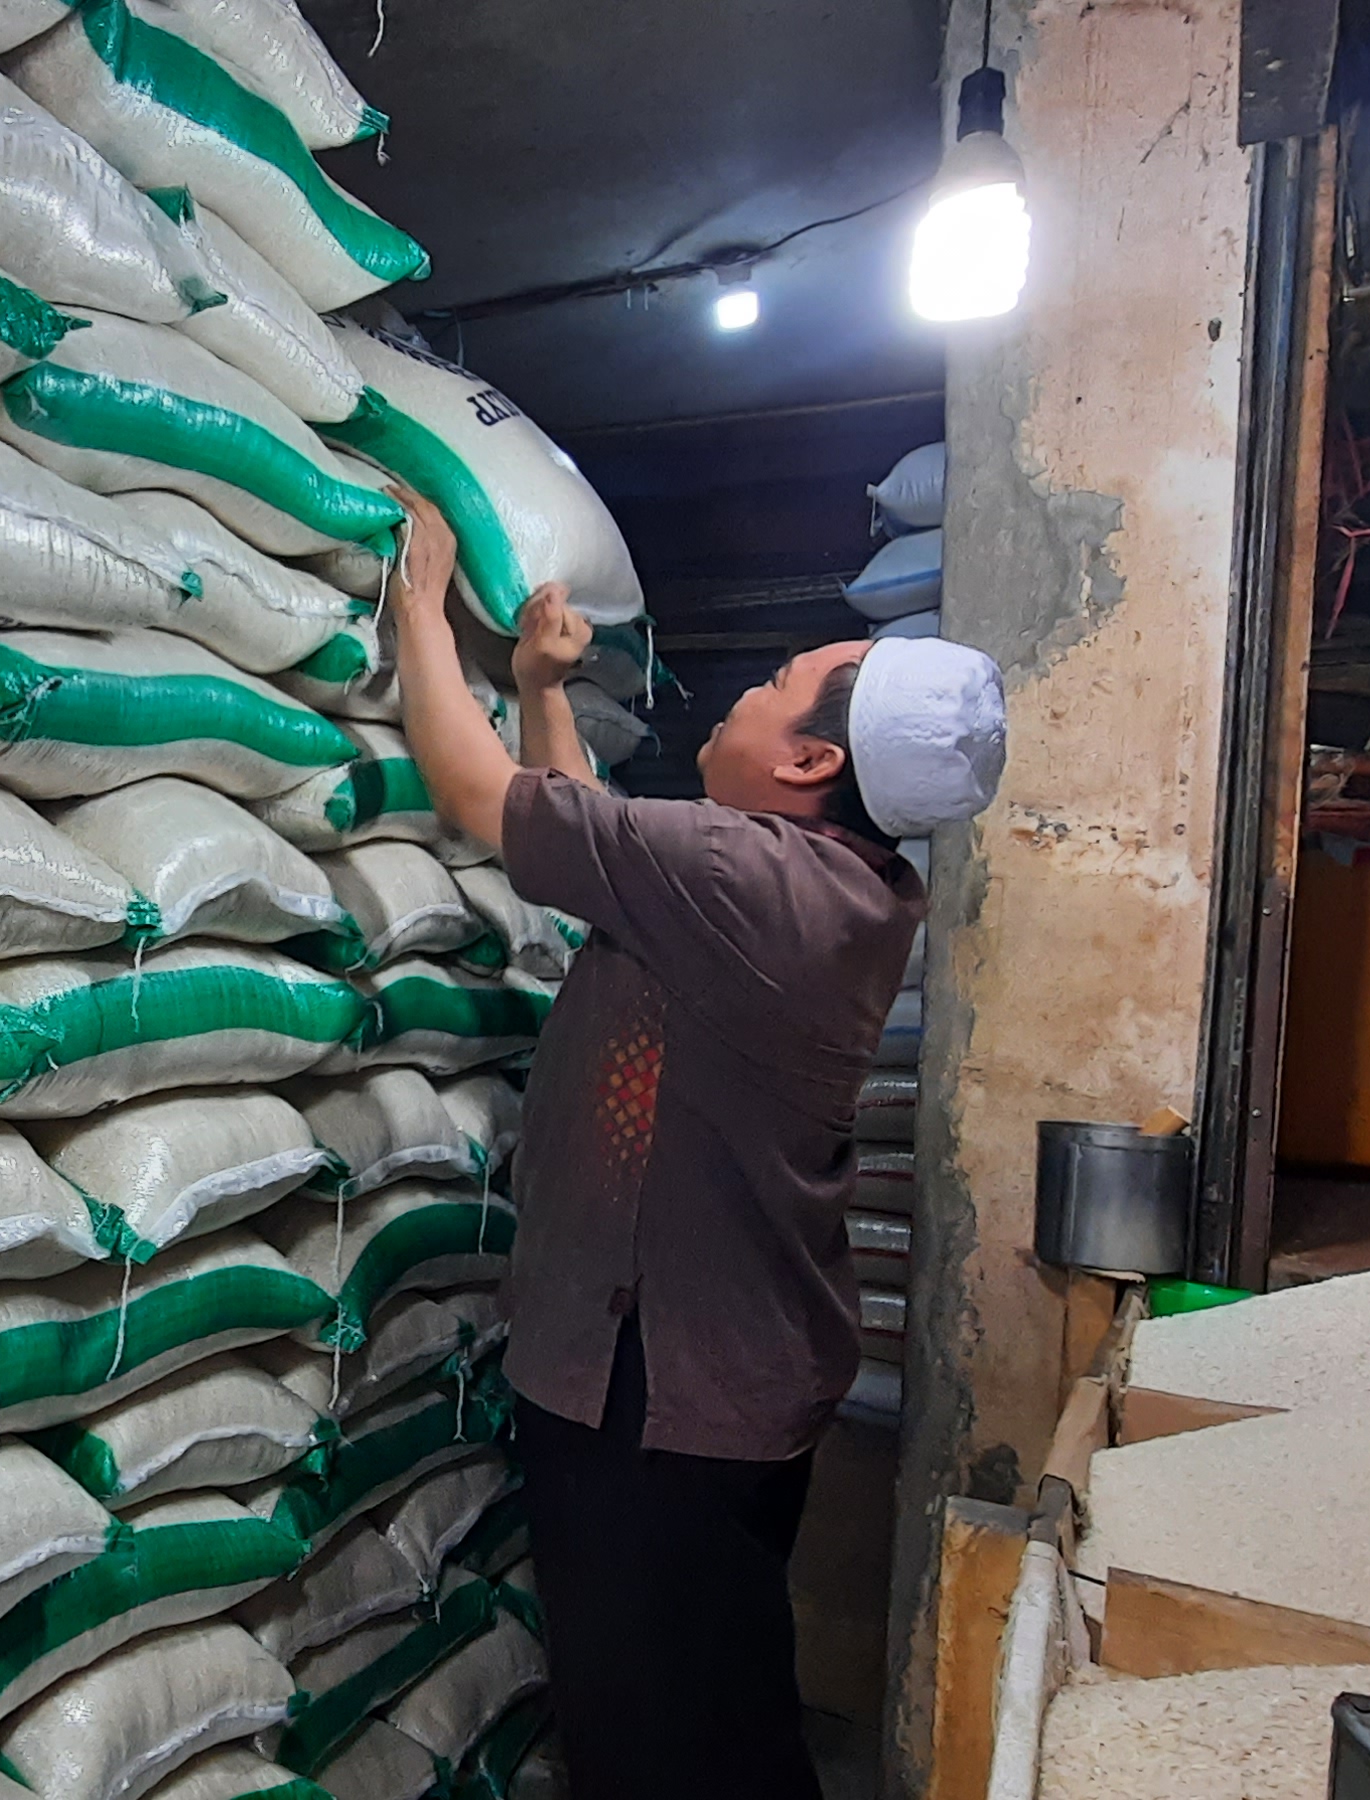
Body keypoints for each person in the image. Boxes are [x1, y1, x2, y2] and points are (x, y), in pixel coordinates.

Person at [383, 492, 1008, 1798]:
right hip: (735, 1380)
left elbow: (479, 794)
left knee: (655, 1737)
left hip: (657, 1390)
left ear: (810, 764)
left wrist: (423, 606)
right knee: (720, 1696)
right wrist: (542, 688)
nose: (743, 695)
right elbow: (592, 842)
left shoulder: (743, 877)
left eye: (775, 687)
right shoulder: (831, 883)